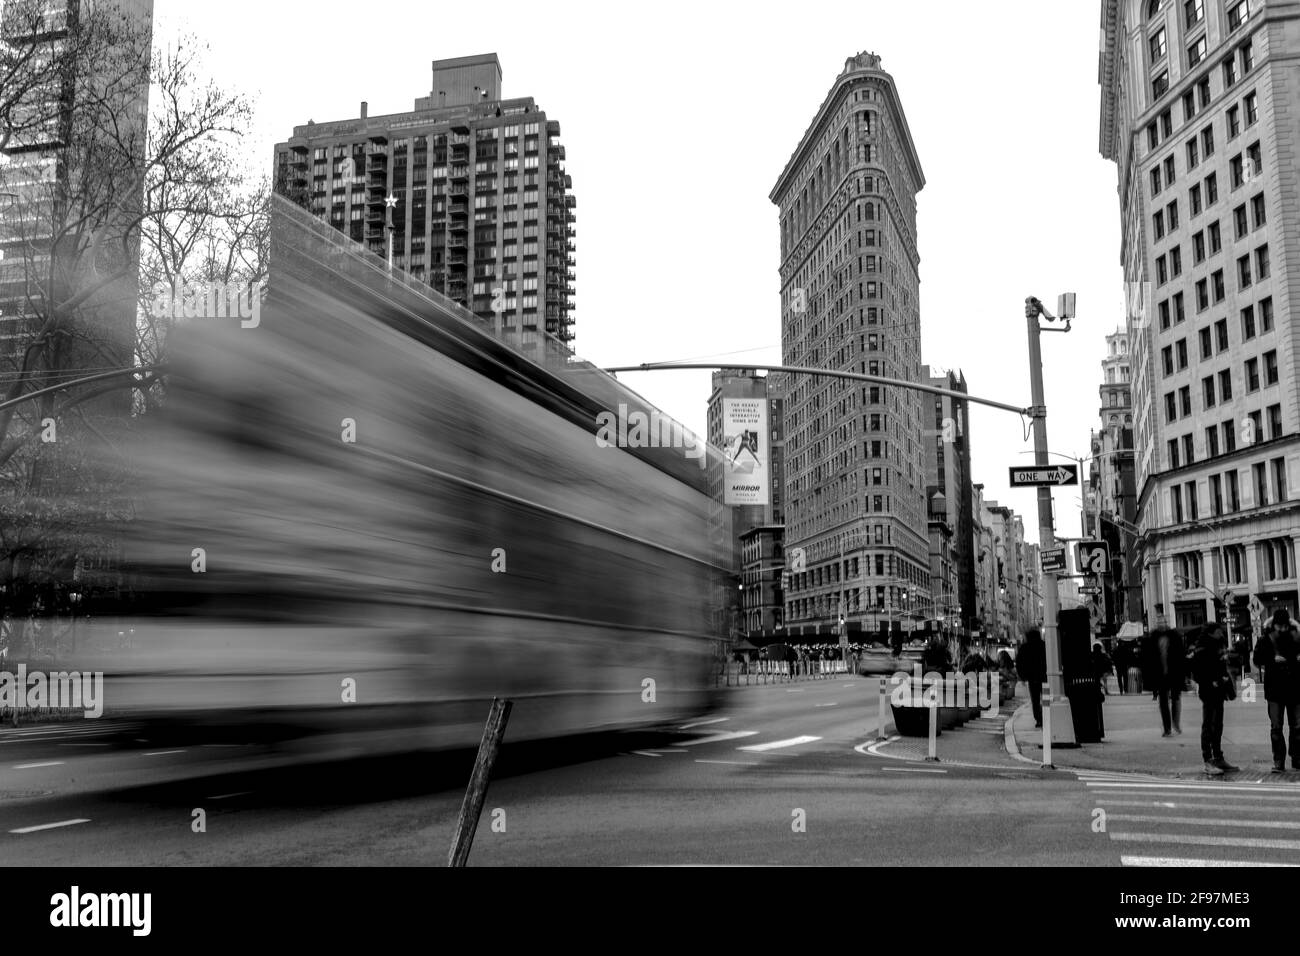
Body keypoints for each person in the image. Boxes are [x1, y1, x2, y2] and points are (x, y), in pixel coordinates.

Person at [1187, 623, 1238, 775]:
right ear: (1211, 633)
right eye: (1218, 631)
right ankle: (1208, 759)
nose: (1221, 633)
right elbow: (1197, 672)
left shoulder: (1218, 646)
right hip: (1209, 690)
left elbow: (1223, 665)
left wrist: (1223, 677)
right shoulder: (1202, 649)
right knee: (1209, 724)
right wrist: (1211, 681)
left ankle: (1218, 756)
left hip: (1219, 690)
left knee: (1218, 725)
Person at [1253, 609, 1300, 772]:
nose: (1282, 629)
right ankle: (1279, 760)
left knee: (1297, 726)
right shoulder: (1266, 638)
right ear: (1275, 625)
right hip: (1275, 690)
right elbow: (1257, 659)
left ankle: (1296, 758)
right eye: (1279, 626)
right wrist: (1271, 659)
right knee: (1277, 727)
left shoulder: (1296, 636)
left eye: (1284, 626)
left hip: (1294, 688)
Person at [1142, 625, 1186, 736]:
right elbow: (1148, 660)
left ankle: (1175, 723)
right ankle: (1167, 728)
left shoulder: (1174, 639)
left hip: (1173, 674)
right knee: (1163, 701)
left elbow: (1181, 657)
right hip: (1161, 675)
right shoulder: (1154, 640)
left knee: (1175, 698)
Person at [1016, 628, 1047, 728]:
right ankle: (1047, 717)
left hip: (1032, 678)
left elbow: (1019, 663)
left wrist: (1022, 676)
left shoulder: (1024, 647)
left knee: (1035, 700)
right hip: (1044, 676)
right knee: (1046, 698)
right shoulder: (1044, 645)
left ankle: (1038, 719)